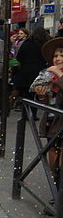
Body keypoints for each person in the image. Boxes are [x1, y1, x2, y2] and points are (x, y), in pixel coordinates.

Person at [31, 38, 63, 185]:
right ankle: (56, 194)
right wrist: (41, 94)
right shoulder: (48, 76)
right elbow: (45, 102)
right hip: (52, 123)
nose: (58, 59)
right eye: (56, 56)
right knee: (53, 162)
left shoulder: (57, 74)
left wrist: (60, 75)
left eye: (62, 55)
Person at [12, 27, 52, 117]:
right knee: (36, 93)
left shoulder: (27, 43)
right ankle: (33, 115)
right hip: (39, 71)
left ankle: (25, 114)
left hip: (25, 71)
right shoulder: (45, 43)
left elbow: (19, 57)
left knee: (26, 94)